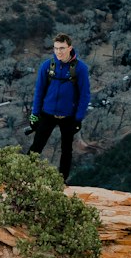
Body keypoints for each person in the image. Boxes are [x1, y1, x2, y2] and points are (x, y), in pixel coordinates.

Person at [27, 33, 90, 181]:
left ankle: (61, 182)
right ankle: (23, 177)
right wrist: (35, 114)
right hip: (47, 114)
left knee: (66, 150)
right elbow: (39, 91)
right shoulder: (47, 66)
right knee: (36, 147)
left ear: (70, 48)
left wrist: (78, 118)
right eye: (56, 48)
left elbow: (85, 95)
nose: (58, 52)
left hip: (68, 116)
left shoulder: (80, 68)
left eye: (62, 48)